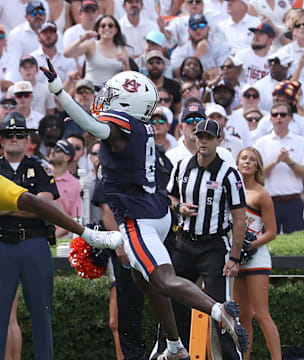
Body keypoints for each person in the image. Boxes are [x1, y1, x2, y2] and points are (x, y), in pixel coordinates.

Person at [40, 59, 249, 359]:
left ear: (126, 103)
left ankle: (220, 311)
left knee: (163, 279)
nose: (104, 102)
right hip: (158, 212)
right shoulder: (143, 126)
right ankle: (175, 346)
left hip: (138, 219)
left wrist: (59, 91)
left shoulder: (121, 126)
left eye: (111, 98)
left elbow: (88, 123)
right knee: (146, 282)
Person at [0, 111, 122, 360]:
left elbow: (47, 208)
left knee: (42, 314)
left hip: (35, 244)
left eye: (19, 134)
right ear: (1, 140)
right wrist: (29, 204)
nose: (14, 138)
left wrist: (13, 206)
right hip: (3, 244)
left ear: (28, 140)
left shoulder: (40, 166)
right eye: (8, 134)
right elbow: (37, 205)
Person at [166, 119, 247, 360]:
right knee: (173, 304)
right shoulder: (181, 166)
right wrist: (178, 207)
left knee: (222, 309)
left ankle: (232, 358)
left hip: (213, 245)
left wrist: (234, 256)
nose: (202, 141)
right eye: (199, 136)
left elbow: (240, 217)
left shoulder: (229, 174)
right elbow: (169, 198)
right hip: (184, 243)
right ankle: (171, 353)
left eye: (208, 137)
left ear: (219, 140)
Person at [234, 146, 281, 360]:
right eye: (243, 158)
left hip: (256, 257)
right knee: (242, 315)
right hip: (235, 258)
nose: (247, 162)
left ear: (257, 166)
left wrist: (249, 246)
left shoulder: (262, 194)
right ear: (237, 163)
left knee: (261, 314)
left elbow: (272, 232)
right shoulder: (230, 191)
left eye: (252, 160)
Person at [255, 102, 304, 234]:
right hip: (270, 201)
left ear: (290, 118)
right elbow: (258, 175)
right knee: (268, 240)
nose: (279, 117)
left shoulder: (300, 142)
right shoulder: (261, 143)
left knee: (296, 243)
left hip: (293, 200)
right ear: (270, 118)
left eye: (283, 114)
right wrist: (275, 162)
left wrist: (289, 161)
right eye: (275, 115)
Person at [64, 14, 130, 90]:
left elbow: (127, 77)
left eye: (111, 25)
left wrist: (126, 63)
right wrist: (82, 39)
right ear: (98, 29)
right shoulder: (90, 45)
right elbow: (67, 54)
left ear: (116, 30)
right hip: (90, 92)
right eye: (103, 25)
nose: (107, 28)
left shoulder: (122, 49)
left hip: (112, 93)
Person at [48, 139, 82, 238]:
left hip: (63, 237)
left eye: (58, 149)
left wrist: (54, 235)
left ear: (67, 157)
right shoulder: (39, 175)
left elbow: (74, 217)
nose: (52, 151)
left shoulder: (75, 184)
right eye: (53, 148)